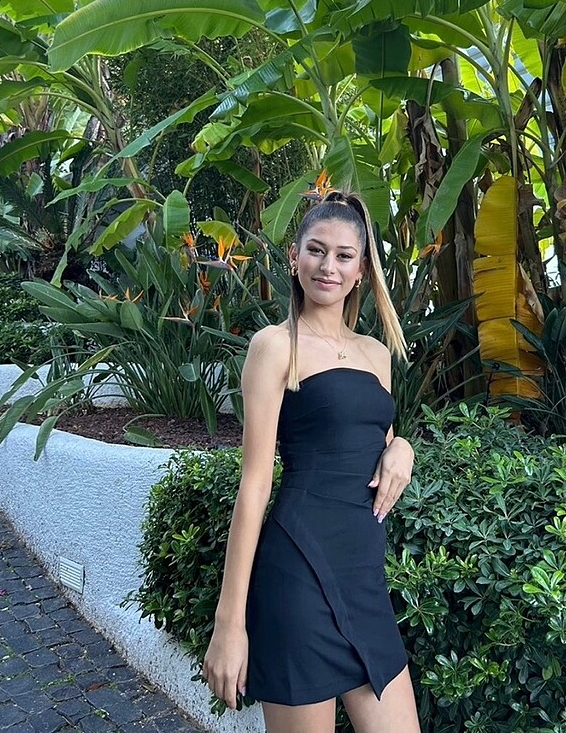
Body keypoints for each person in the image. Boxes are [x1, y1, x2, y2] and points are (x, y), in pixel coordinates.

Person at [202, 190, 420, 733]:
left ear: (361, 270)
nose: (329, 266)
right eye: (317, 251)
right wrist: (229, 623)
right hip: (297, 572)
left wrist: (404, 448)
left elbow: (374, 438)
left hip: (362, 576)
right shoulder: (276, 346)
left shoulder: (376, 354)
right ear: (294, 257)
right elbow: (255, 484)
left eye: (344, 256)